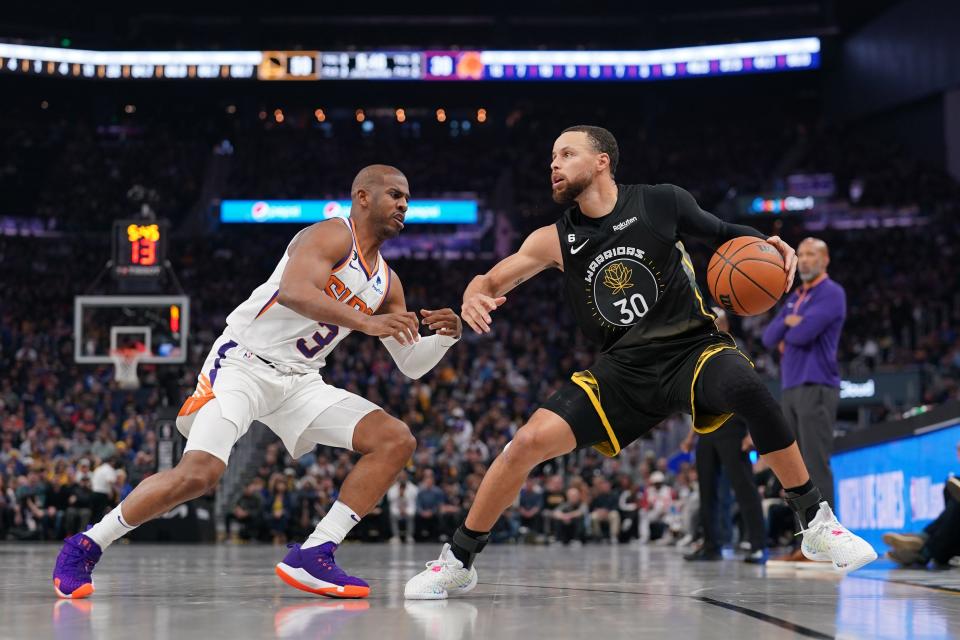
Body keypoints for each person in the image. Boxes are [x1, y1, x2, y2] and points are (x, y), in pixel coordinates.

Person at [405, 126, 876, 600]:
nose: (554, 164)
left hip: (692, 349)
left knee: (747, 386)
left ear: (602, 161)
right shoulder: (553, 239)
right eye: (552, 156)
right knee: (525, 443)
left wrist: (774, 244)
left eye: (567, 154)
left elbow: (725, 235)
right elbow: (489, 280)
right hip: (622, 370)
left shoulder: (659, 202)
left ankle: (816, 522)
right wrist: (471, 297)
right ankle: (459, 560)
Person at [53, 165, 463, 600]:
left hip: (300, 381)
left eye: (407, 199)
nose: (403, 205)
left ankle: (316, 551)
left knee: (395, 439)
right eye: (395, 195)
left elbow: (410, 365)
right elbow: (295, 292)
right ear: (363, 197)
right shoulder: (329, 235)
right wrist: (366, 322)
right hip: (242, 366)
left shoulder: (388, 282)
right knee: (199, 475)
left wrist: (446, 339)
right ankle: (87, 543)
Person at [761, 237, 845, 563]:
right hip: (792, 386)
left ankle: (827, 545)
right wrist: (787, 322)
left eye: (812, 255)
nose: (805, 260)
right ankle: (808, 544)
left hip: (817, 385)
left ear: (825, 260)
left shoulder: (832, 293)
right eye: (803, 254)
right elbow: (770, 337)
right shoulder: (796, 297)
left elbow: (801, 335)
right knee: (798, 470)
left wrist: (791, 329)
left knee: (815, 464)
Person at [682, 308, 767, 564]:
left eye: (714, 322)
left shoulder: (735, 349)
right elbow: (698, 397)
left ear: (725, 324)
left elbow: (752, 390)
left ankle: (758, 545)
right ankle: (711, 545)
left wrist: (752, 430)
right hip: (706, 428)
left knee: (744, 486)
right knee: (706, 489)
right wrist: (690, 434)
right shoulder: (699, 353)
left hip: (733, 425)